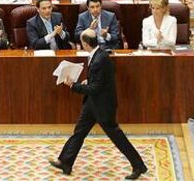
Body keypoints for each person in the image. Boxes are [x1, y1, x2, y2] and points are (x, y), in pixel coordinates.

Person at [49, 28, 147, 179]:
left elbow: (95, 88)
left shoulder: (100, 59)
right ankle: (65, 162)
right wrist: (90, 80)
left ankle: (138, 165)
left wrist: (73, 86)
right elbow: (98, 82)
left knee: (117, 137)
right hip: (92, 104)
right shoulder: (97, 54)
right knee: (79, 132)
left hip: (103, 106)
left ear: (86, 43)